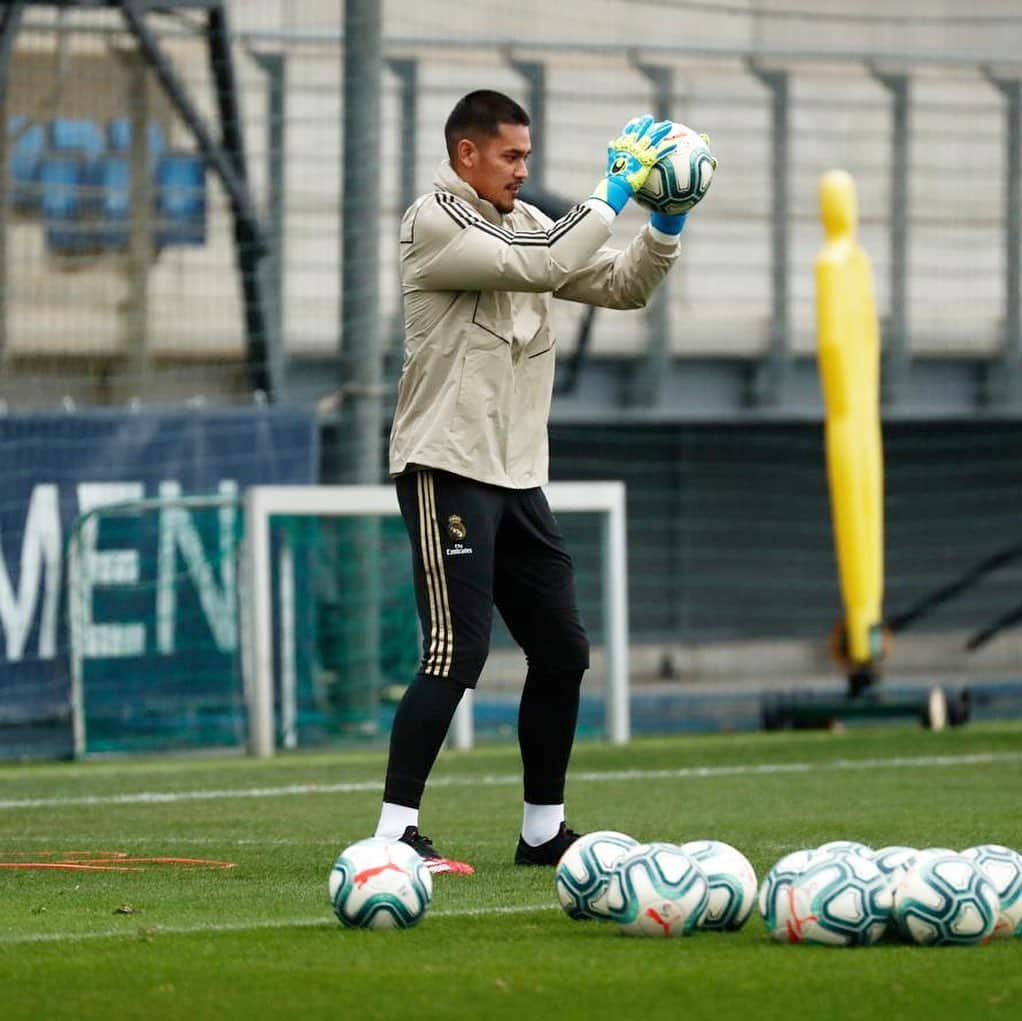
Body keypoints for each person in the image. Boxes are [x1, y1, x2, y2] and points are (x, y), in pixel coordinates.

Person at [376, 89, 694, 874]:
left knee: (562, 651)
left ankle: (543, 832)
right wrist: (611, 190)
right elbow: (548, 265)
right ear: (467, 156)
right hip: (445, 465)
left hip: (517, 479)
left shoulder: (526, 227)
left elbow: (621, 285)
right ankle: (391, 836)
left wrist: (668, 221)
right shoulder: (435, 222)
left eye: (526, 154)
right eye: (512, 155)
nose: (524, 168)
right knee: (457, 650)